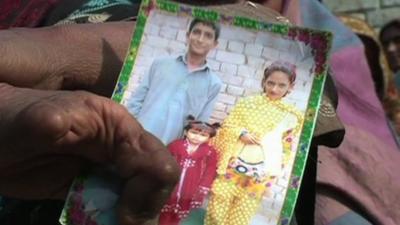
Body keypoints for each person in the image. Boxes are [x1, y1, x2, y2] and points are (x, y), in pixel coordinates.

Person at [204, 61, 304, 225]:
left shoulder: (292, 116)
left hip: (260, 174)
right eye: (270, 83)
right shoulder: (247, 103)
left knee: (241, 216)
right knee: (216, 210)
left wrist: (272, 178)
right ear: (264, 81)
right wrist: (241, 133)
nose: (274, 89)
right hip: (233, 167)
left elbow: (285, 149)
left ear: (291, 87)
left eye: (281, 85)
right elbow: (228, 125)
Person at [126, 18, 222, 145]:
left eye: (208, 36)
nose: (200, 39)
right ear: (188, 36)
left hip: (171, 150)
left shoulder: (214, 83)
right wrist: (132, 129)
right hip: (137, 139)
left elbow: (200, 124)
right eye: (196, 32)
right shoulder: (160, 64)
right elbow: (136, 100)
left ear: (214, 44)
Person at [159, 116, 219, 225]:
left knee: (180, 212)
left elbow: (210, 170)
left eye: (203, 135)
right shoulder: (175, 145)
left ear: (209, 138)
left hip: (191, 187)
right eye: (194, 132)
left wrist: (203, 187)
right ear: (186, 132)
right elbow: (165, 161)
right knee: (166, 209)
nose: (197, 137)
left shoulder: (210, 152)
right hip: (172, 184)